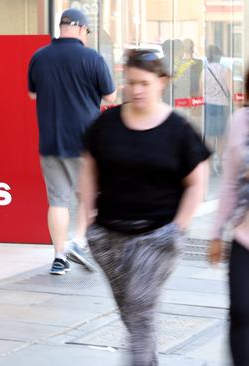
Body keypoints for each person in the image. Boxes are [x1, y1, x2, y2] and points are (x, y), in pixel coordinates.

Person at [81, 49, 210, 365]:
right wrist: (87, 220)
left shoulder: (177, 130)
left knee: (139, 306)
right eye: (130, 83)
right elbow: (88, 167)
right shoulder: (106, 124)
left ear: (162, 82)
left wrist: (178, 229)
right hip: (108, 237)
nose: (136, 90)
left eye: (144, 83)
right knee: (133, 312)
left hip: (157, 236)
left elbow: (198, 181)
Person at [27, 8, 116, 275]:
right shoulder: (92, 59)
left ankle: (59, 257)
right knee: (88, 196)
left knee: (57, 201)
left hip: (51, 140)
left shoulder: (39, 57)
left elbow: (32, 94)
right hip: (85, 141)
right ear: (79, 28)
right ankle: (78, 241)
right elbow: (110, 97)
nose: (87, 36)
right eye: (87, 32)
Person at [209, 69, 249, 366]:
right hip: (244, 237)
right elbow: (230, 183)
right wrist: (216, 232)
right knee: (240, 311)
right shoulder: (240, 122)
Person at [203, 45, 232, 173]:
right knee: (221, 136)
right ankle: (219, 162)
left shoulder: (204, 70)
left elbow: (200, 90)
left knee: (209, 136)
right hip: (222, 105)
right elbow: (230, 89)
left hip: (208, 105)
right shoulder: (225, 70)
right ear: (219, 56)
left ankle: (208, 164)